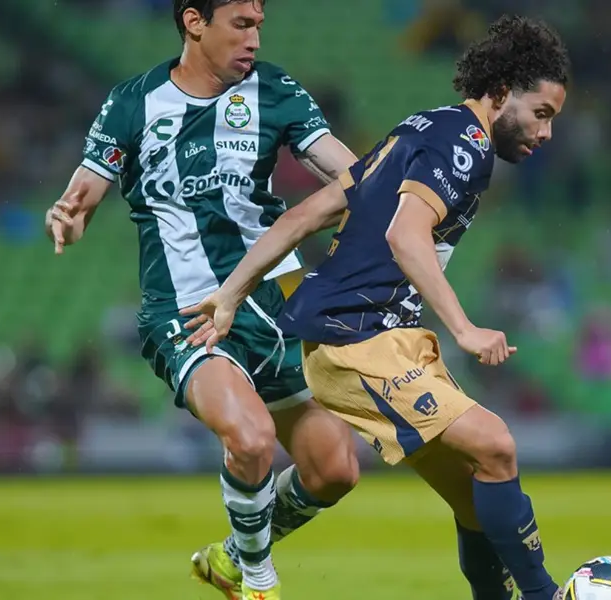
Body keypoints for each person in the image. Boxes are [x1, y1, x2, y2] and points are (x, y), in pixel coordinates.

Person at [183, 14, 571, 600]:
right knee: (496, 445)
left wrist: (232, 294)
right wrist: (464, 329)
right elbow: (405, 237)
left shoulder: (417, 130)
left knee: (475, 498)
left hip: (370, 336)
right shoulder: (465, 143)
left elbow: (304, 215)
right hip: (359, 336)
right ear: (499, 95)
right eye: (541, 114)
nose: (545, 134)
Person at [42, 2, 364, 599]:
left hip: (277, 303)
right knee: (249, 438)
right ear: (194, 22)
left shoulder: (274, 89)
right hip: (187, 311)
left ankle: (229, 556)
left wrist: (389, 186)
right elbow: (83, 193)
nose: (255, 39)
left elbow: (346, 171)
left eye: (259, 25)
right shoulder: (134, 102)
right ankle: (258, 581)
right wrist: (69, 213)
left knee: (336, 471)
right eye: (241, 24)